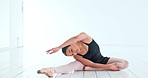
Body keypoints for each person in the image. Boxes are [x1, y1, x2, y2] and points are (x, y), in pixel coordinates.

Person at [37, 32, 128, 77]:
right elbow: (91, 64)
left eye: (71, 50)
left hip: (103, 60)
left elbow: (75, 38)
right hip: (88, 64)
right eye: (71, 54)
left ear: (72, 43)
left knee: (125, 63)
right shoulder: (76, 56)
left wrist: (59, 47)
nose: (74, 53)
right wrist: (108, 67)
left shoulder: (85, 38)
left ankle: (88, 70)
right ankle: (51, 70)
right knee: (72, 66)